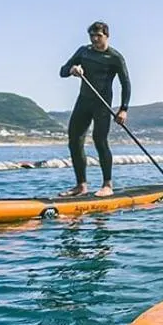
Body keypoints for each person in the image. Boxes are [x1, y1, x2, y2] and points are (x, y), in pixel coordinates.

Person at [58, 21, 130, 197]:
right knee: (74, 141)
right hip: (83, 102)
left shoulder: (115, 57)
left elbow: (126, 84)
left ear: (107, 36)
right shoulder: (84, 52)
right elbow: (62, 71)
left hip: (102, 104)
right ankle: (81, 186)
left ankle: (107, 185)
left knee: (100, 140)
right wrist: (72, 69)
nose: (95, 39)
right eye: (92, 36)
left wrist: (123, 109)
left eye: (99, 35)